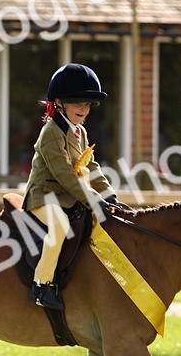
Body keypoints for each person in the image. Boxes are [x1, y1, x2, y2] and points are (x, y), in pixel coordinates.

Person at [22, 64, 119, 310]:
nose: (83, 109)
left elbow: (91, 165)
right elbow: (65, 174)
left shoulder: (80, 132)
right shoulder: (50, 132)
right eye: (77, 103)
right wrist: (93, 199)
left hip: (68, 196)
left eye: (87, 104)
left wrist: (109, 195)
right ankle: (42, 285)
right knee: (60, 227)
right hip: (44, 196)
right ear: (59, 103)